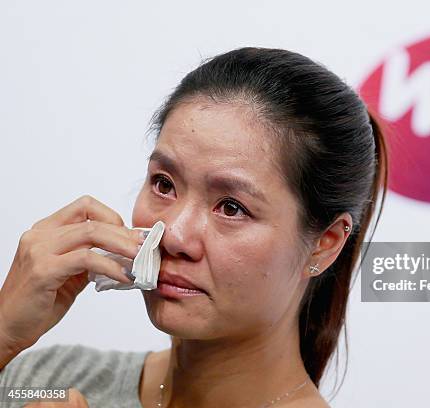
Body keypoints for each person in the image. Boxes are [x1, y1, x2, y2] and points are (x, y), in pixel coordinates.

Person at [0, 47, 388, 407]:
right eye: (163, 184)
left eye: (232, 208)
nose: (174, 234)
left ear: (325, 243)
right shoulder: (49, 378)